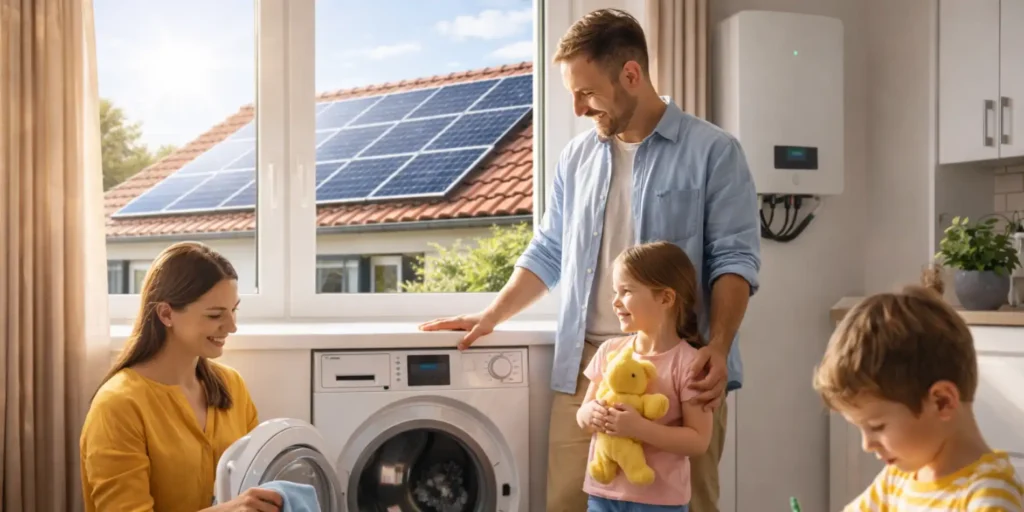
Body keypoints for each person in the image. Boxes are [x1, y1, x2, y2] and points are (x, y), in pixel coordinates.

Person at [419, 8, 760, 511]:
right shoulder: (575, 159)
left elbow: (734, 259)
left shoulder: (714, 152)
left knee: (688, 504)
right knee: (566, 502)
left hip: (680, 366)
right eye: (571, 94)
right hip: (590, 367)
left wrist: (720, 344)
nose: (578, 108)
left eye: (587, 92)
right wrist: (493, 314)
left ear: (631, 74)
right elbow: (550, 249)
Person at [80, 242, 284, 512]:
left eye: (234, 310)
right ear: (166, 314)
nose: (232, 326)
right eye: (215, 315)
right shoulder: (118, 406)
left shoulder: (231, 385)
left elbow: (255, 481)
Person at [813, 273, 1024, 511]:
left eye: (877, 426)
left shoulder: (989, 496)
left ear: (942, 401)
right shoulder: (895, 481)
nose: (867, 444)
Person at [578, 242, 713, 512]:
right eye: (615, 292)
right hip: (603, 493)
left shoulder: (689, 363)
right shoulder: (609, 351)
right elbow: (583, 413)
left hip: (660, 501)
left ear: (665, 298)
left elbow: (698, 440)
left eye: (626, 291)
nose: (615, 302)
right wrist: (590, 414)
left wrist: (639, 429)